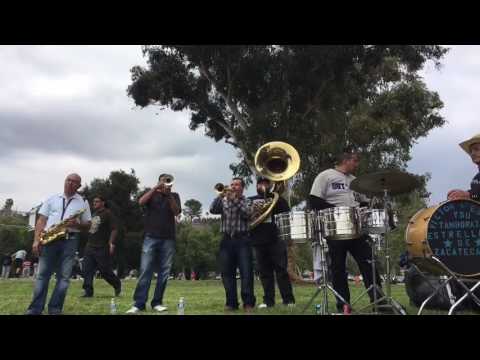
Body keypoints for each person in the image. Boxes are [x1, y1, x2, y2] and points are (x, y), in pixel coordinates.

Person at [309, 149, 385, 314]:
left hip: (357, 230)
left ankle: (379, 302)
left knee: (369, 263)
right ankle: (343, 305)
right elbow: (314, 201)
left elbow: (364, 203)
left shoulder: (356, 181)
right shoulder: (325, 176)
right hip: (336, 228)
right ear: (346, 160)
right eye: (355, 161)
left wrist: (366, 211)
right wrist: (340, 211)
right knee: (338, 268)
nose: (357, 164)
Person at [25, 173, 92, 315]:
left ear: (78, 186)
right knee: (42, 275)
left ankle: (55, 309)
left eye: (74, 182)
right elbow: (41, 220)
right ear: (64, 181)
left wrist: (78, 224)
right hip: (49, 239)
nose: (70, 183)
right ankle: (35, 309)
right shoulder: (52, 199)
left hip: (70, 240)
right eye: (68, 180)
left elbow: (88, 225)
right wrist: (36, 240)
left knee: (64, 277)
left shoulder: (83, 202)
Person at [126, 174, 181, 313]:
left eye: (169, 181)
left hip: (168, 238)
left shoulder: (174, 195)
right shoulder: (152, 195)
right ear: (158, 182)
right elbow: (141, 202)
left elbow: (176, 211)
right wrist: (155, 188)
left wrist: (168, 196)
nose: (167, 184)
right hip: (150, 237)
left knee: (164, 272)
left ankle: (157, 302)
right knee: (145, 270)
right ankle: (139, 303)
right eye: (164, 181)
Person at [248, 176, 295, 309]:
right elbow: (245, 217)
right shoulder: (250, 200)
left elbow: (286, 213)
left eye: (266, 183)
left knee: (281, 270)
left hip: (276, 239)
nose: (263, 185)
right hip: (257, 240)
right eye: (260, 183)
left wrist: (276, 199)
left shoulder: (277, 199)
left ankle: (288, 300)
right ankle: (268, 301)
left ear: (270, 185)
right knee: (264, 272)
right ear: (256, 186)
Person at [210, 177, 256, 312]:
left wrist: (234, 199)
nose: (233, 187)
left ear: (242, 188)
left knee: (246, 273)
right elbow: (213, 209)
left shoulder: (247, 201)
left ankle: (248, 303)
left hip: (243, 240)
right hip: (226, 240)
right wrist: (220, 195)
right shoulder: (224, 200)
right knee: (227, 273)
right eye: (232, 184)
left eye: (236, 185)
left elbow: (247, 213)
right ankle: (231, 303)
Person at [81, 196, 121, 297]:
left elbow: (114, 229)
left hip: (102, 246)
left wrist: (111, 242)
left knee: (104, 271)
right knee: (87, 269)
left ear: (103, 203)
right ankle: (88, 291)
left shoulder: (108, 213)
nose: (94, 203)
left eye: (97, 201)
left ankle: (117, 284)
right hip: (90, 246)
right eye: (93, 201)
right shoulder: (93, 214)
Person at [447, 133, 480, 201]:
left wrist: (468, 195)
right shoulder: (476, 179)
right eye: (471, 151)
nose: (472, 153)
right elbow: (476, 195)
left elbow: (475, 195)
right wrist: (461, 195)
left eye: (476, 149)